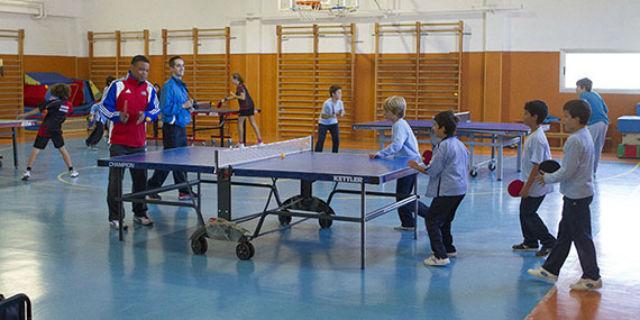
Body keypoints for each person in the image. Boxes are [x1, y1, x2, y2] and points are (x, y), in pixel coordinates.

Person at [528, 99, 602, 291]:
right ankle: (550, 269)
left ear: (577, 119)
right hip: (577, 194)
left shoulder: (575, 140)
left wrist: (548, 178)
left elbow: (567, 171)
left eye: (567, 116)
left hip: (577, 196)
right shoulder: (584, 135)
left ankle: (592, 276)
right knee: (564, 235)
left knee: (582, 237)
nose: (563, 120)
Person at [100, 55, 160, 230]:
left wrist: (147, 116)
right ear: (132, 68)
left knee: (140, 179)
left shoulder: (149, 88)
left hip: (139, 143)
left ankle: (140, 213)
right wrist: (118, 115)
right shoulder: (117, 85)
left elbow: (156, 108)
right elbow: (104, 108)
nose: (144, 73)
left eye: (147, 70)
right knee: (116, 180)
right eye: (141, 69)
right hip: (119, 142)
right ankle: (116, 217)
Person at [408, 110, 468, 267]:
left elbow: (432, 171)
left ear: (443, 128)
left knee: (432, 220)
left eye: (435, 125)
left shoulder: (444, 146)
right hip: (460, 189)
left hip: (447, 190)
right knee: (446, 219)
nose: (433, 128)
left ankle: (440, 256)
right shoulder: (460, 144)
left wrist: (416, 166)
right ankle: (449, 248)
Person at [369, 96, 429, 231]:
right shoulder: (400, 123)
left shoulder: (398, 125)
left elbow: (397, 145)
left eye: (386, 111)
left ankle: (430, 215)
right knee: (401, 196)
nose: (384, 113)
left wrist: (380, 153)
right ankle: (408, 223)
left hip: (409, 164)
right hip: (406, 162)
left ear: (395, 112)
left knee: (404, 198)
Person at [147, 56, 197, 201]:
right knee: (170, 160)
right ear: (171, 68)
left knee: (180, 160)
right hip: (172, 128)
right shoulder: (168, 86)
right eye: (178, 65)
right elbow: (165, 109)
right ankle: (152, 187)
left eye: (183, 65)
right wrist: (183, 106)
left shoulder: (181, 86)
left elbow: (183, 105)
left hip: (181, 127)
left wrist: (189, 108)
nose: (182, 68)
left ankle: (183, 190)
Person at [511, 100, 556, 257]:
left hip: (537, 184)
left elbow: (537, 166)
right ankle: (530, 241)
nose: (523, 116)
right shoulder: (534, 134)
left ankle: (549, 242)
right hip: (530, 182)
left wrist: (526, 187)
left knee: (529, 213)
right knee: (524, 212)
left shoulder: (537, 138)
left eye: (525, 113)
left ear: (534, 116)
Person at [18, 83, 78, 181]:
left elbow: (38, 109)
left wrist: (25, 115)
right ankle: (72, 171)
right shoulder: (69, 105)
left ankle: (27, 172)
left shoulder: (52, 102)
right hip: (56, 130)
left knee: (36, 150)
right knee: (63, 150)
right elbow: (67, 114)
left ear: (55, 92)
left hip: (45, 128)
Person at [576, 77, 609, 175]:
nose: (576, 90)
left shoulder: (583, 95)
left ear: (583, 87)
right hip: (604, 122)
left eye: (577, 87)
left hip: (594, 122)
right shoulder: (596, 94)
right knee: (597, 148)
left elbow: (584, 110)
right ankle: (592, 171)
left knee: (588, 147)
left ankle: (585, 171)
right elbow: (606, 110)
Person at [223, 73, 263, 147]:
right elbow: (238, 96)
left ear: (236, 79)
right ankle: (260, 141)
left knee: (240, 123)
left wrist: (235, 96)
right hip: (250, 105)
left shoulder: (239, 87)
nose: (231, 81)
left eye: (232, 79)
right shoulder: (241, 86)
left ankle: (241, 143)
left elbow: (242, 97)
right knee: (253, 123)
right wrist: (226, 99)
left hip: (245, 107)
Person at [85, 75, 116, 148]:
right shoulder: (106, 93)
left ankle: (88, 141)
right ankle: (93, 143)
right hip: (99, 115)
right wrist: (92, 114)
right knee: (99, 131)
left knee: (97, 129)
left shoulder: (108, 90)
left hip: (104, 115)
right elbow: (95, 106)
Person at [315, 85, 345, 153]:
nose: (341, 94)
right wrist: (335, 115)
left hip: (333, 123)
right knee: (321, 140)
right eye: (339, 93)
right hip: (323, 123)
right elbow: (325, 116)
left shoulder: (340, 102)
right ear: (333, 94)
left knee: (336, 140)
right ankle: (317, 154)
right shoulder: (327, 103)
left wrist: (341, 113)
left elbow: (342, 111)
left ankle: (335, 154)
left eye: (341, 92)